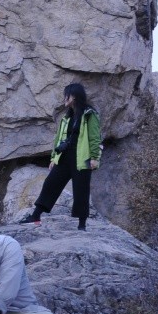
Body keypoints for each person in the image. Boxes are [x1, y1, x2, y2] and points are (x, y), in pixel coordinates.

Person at [19, 82, 102, 230]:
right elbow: (58, 139)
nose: (64, 98)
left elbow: (95, 137)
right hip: (64, 157)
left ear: (74, 96)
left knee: (81, 190)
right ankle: (36, 216)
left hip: (81, 158)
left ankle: (82, 225)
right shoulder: (67, 117)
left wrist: (95, 157)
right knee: (50, 184)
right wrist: (54, 157)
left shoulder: (89, 114)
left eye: (67, 95)